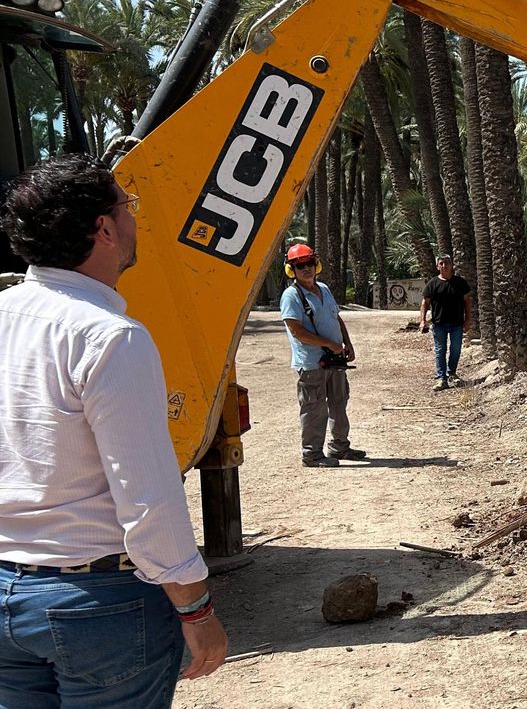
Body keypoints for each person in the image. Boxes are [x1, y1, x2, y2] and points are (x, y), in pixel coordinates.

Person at [0, 155, 229, 705]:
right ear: (103, 229)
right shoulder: (109, 338)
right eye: (128, 206)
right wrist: (195, 608)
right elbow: (147, 498)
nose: (134, 219)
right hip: (98, 603)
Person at [279, 242, 366, 468]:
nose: (306, 268)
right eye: (299, 266)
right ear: (292, 270)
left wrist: (347, 343)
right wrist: (329, 344)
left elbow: (336, 318)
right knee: (314, 408)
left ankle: (340, 447)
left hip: (335, 361)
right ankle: (312, 454)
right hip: (312, 364)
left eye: (309, 263)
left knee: (339, 403)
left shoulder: (324, 289)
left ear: (316, 264)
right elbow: (297, 332)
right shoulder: (291, 296)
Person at [418, 254, 472, 391]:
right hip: (439, 324)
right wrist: (422, 321)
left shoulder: (460, 283)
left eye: (447, 263)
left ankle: (452, 373)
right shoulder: (433, 284)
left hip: (457, 324)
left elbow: (467, 302)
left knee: (456, 349)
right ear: (437, 266)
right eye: (441, 263)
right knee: (440, 351)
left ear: (452, 265)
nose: (444, 265)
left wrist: (468, 320)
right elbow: (425, 303)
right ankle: (441, 378)